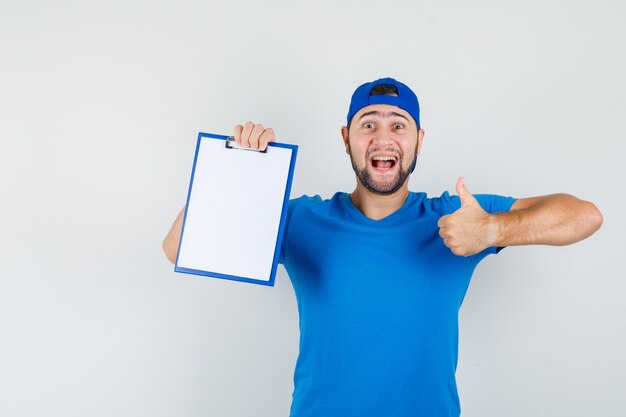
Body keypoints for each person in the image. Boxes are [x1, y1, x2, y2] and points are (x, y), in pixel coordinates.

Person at [162, 77, 603, 417]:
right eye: (367, 123)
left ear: (419, 140)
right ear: (346, 137)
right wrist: (234, 168)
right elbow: (178, 247)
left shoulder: (457, 215)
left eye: (399, 125)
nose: (383, 137)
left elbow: (585, 216)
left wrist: (494, 231)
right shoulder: (300, 218)